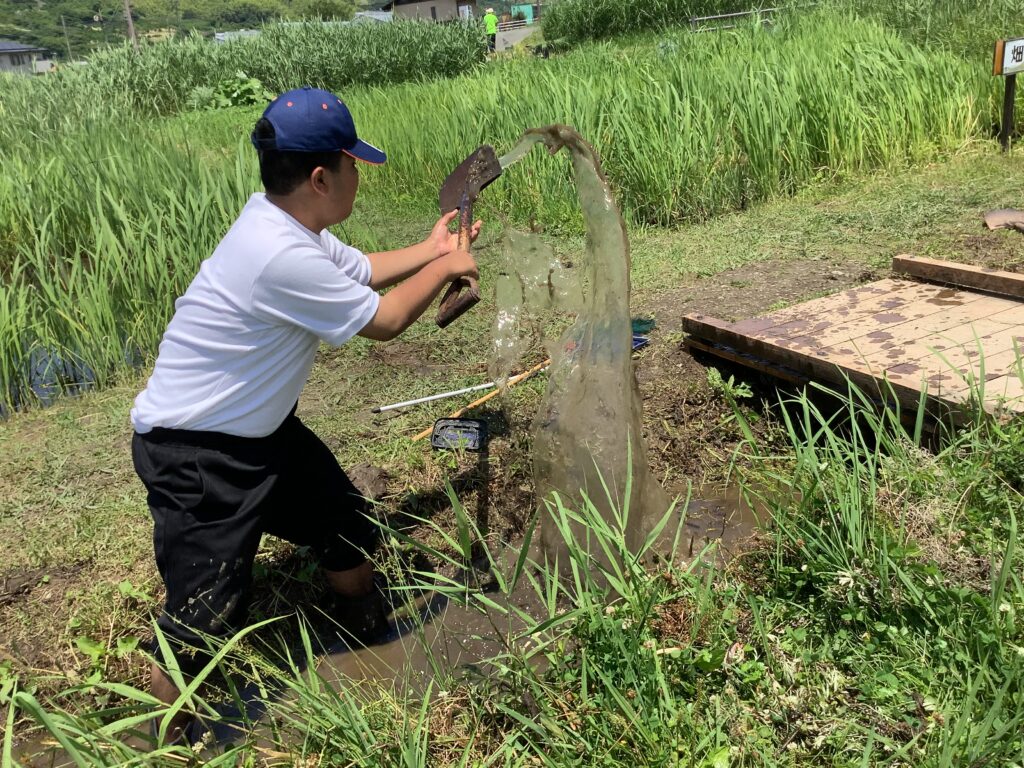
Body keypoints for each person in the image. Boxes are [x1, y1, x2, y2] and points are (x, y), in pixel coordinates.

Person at [129, 85, 480, 743]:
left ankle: (364, 628)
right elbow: (387, 319)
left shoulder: (289, 225)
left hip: (259, 432)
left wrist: (435, 249)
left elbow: (364, 272)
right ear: (322, 177)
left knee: (342, 517)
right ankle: (164, 736)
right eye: (354, 167)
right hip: (196, 451)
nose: (358, 179)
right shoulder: (278, 253)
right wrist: (451, 267)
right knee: (205, 611)